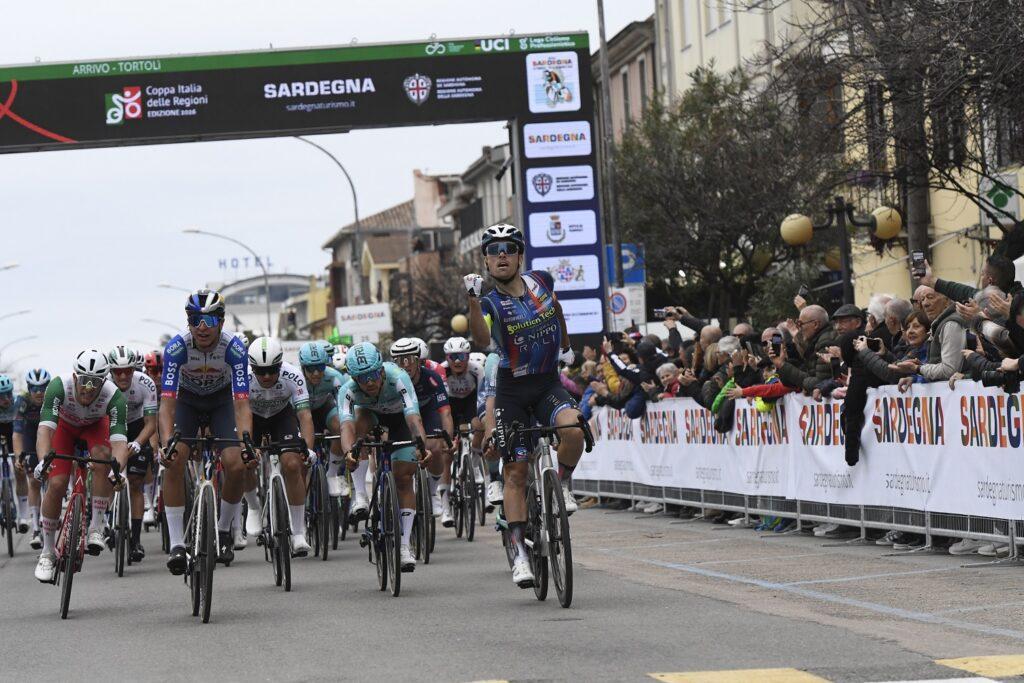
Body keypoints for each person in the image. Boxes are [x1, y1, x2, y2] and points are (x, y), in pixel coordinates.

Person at [464, 223, 585, 588]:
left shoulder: (542, 280)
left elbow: (557, 310)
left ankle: (561, 484)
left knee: (574, 429)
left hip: (547, 381)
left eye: (508, 248)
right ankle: (519, 553)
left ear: (519, 255)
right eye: (494, 250)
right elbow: (482, 337)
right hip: (512, 389)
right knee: (515, 471)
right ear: (486, 260)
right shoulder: (488, 302)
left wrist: (565, 345)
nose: (501, 254)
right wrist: (471, 299)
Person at [159, 288, 253, 575]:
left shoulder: (235, 348)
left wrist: (246, 441)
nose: (202, 328)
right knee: (175, 459)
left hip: (221, 402)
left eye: (209, 321)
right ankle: (177, 544)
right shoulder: (177, 349)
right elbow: (166, 405)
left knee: (236, 464)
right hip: (187, 402)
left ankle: (224, 530)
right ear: (187, 322)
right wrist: (166, 444)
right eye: (195, 320)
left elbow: (242, 405)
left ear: (221, 323)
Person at [31, 350, 130, 582]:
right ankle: (47, 552)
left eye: (95, 382)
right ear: (75, 377)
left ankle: (96, 526)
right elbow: (45, 430)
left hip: (95, 427)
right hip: (64, 428)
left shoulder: (114, 397)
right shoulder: (58, 387)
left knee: (103, 457)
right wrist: (43, 462)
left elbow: (119, 443)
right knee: (56, 483)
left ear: (103, 381)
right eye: (84, 380)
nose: (88, 387)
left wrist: (119, 472)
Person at [339, 343, 434, 572]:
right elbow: (346, 427)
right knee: (358, 432)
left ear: (381, 369)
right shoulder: (348, 390)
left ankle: (403, 546)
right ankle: (360, 495)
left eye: (372, 374)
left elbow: (413, 418)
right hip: (370, 416)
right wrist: (349, 453)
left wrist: (421, 446)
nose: (369, 382)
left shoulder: (399, 377)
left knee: (404, 476)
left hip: (400, 419)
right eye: (362, 378)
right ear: (353, 378)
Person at [245, 336, 317, 558]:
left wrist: (308, 449)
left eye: (272, 370)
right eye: (261, 371)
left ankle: (298, 533)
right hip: (252, 417)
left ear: (280, 364)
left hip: (281, 416)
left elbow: (304, 416)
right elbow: (238, 413)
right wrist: (248, 445)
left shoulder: (293, 375)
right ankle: (253, 507)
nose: (266, 376)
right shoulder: (243, 377)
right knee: (245, 460)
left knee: (292, 463)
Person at [389, 338, 454, 528]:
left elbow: (446, 413)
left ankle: (433, 491)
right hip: (402, 417)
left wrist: (447, 440)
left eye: (409, 359)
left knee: (435, 446)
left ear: (419, 360)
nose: (406, 365)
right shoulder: (392, 381)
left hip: (428, 413)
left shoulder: (432, 378)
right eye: (400, 361)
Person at [107, 346, 158, 562]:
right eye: (117, 371)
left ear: (133, 369)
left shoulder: (145, 383)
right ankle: (107, 520)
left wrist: (138, 443)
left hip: (137, 427)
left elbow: (151, 424)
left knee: (136, 482)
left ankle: (135, 540)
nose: (123, 375)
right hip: (110, 427)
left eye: (127, 370)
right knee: (107, 476)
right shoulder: (104, 386)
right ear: (110, 371)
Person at [440, 336, 487, 515]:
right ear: (447, 358)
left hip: (470, 402)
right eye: (453, 357)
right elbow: (441, 400)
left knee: (480, 425)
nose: (457, 361)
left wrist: (478, 419)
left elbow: (482, 395)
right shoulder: (442, 370)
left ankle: (474, 463)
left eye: (461, 356)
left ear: (468, 356)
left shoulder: (477, 369)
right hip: (449, 404)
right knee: (447, 451)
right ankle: (445, 505)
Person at [297, 341, 349, 499]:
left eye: (320, 368)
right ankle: (301, 501)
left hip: (323, 408)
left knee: (341, 426)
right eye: (310, 369)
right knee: (302, 457)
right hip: (299, 413)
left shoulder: (335, 377)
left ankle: (332, 473)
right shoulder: (296, 377)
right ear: (302, 367)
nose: (315, 374)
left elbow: (345, 407)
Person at [13, 368, 49, 549]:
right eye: (34, 389)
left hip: (49, 433)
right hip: (30, 435)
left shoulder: (53, 399)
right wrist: (19, 455)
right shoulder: (23, 401)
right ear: (28, 389)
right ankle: (36, 528)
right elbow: (17, 432)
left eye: (42, 388)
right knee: (34, 482)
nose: (39, 392)